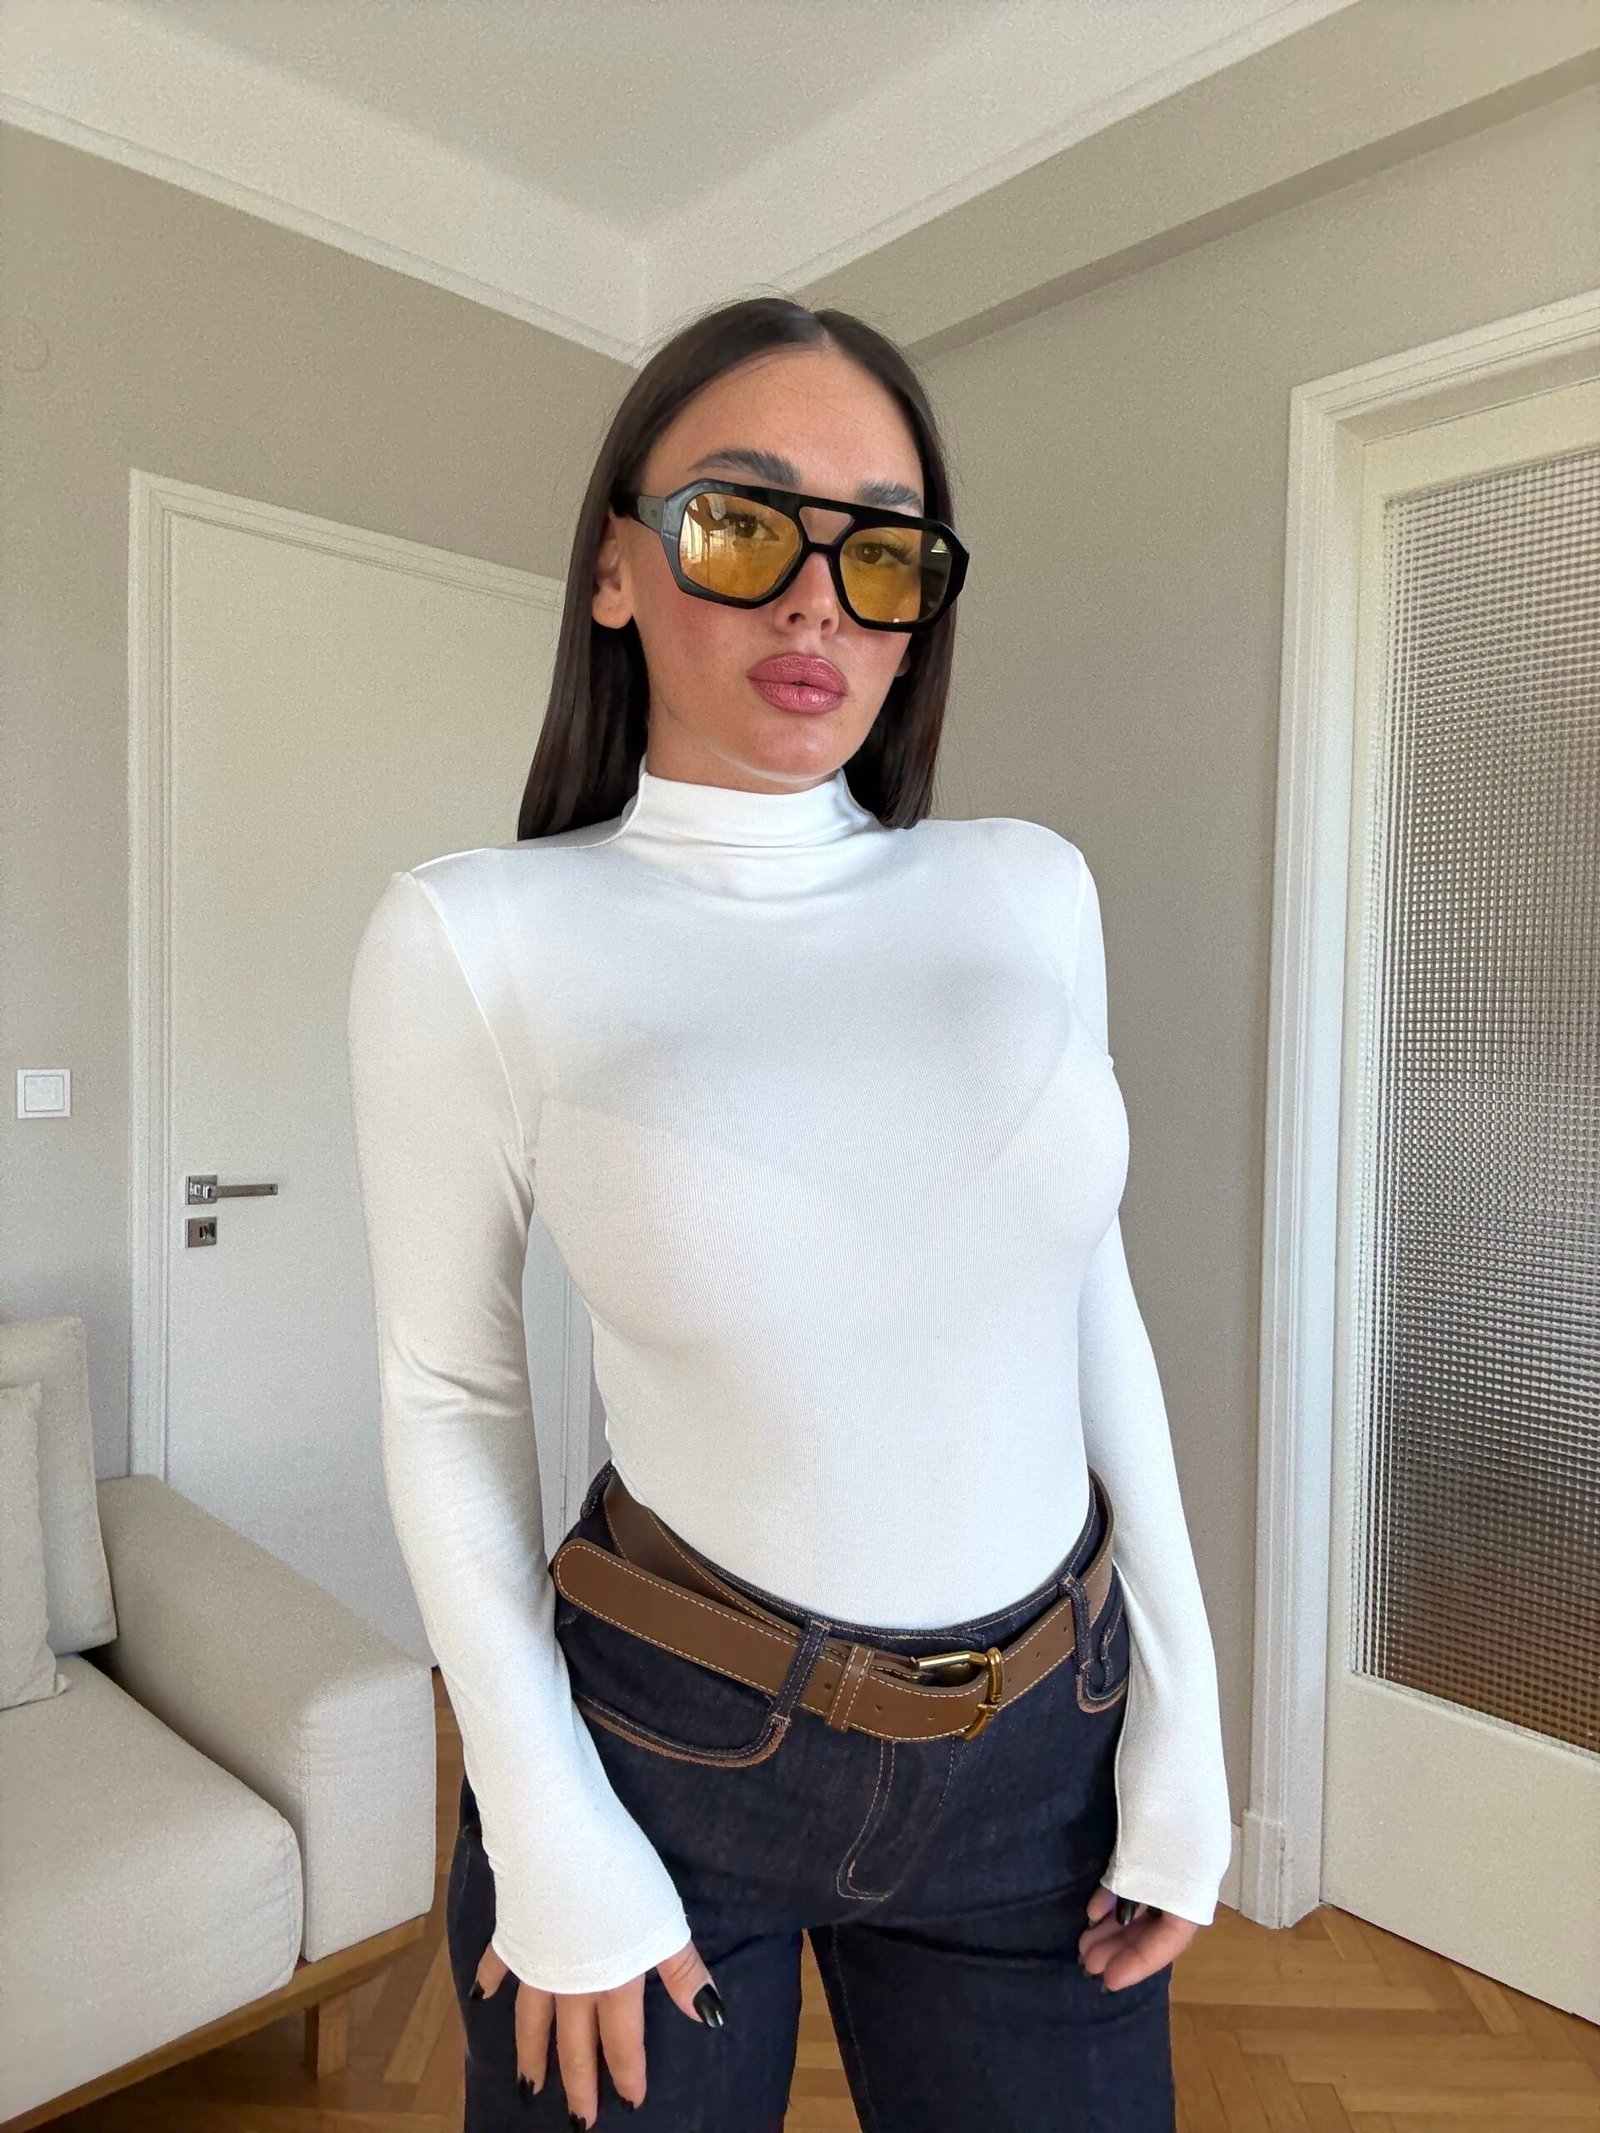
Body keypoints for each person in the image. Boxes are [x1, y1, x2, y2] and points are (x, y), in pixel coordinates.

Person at [346, 294, 1232, 2133]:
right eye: (743, 523)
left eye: (882, 549)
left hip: (1045, 1756)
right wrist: (541, 1815)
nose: (819, 600)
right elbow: (450, 1396)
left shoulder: (1030, 890)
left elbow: (1088, 1303)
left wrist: (1189, 1714)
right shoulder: (475, 936)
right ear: (614, 566)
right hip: (666, 1754)